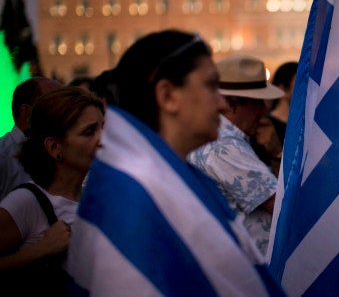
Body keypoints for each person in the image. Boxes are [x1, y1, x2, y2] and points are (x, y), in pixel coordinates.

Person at [67, 30, 284, 296]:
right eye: (210, 86)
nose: (221, 103)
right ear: (168, 96)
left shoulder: (159, 177)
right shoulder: (133, 192)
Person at [0, 87, 104, 296]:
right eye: (89, 132)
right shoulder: (27, 201)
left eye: (104, 127)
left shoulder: (96, 199)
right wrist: (41, 250)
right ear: (55, 148)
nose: (103, 139)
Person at [188, 55, 285, 256]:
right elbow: (283, 206)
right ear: (232, 105)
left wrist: (276, 154)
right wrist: (278, 153)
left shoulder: (227, 139)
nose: (264, 110)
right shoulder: (224, 145)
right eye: (258, 102)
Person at [0, 77, 63, 200]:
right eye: (55, 103)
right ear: (26, 112)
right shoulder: (2, 156)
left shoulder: (66, 152)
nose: (64, 111)